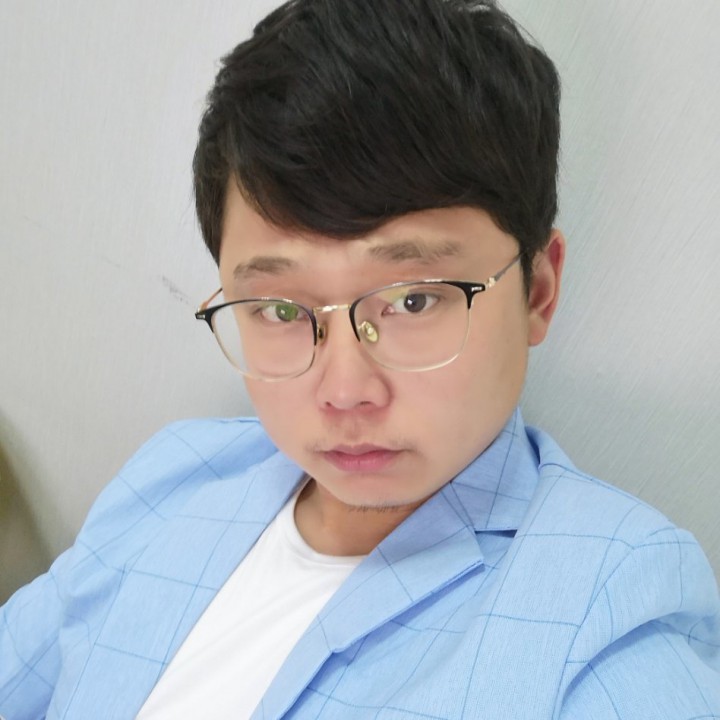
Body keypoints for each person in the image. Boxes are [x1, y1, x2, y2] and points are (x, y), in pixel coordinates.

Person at [1, 0, 719, 717]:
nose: (344, 391)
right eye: (281, 310)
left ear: (537, 290)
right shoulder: (174, 476)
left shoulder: (606, 620)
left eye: (413, 300)